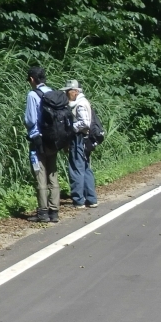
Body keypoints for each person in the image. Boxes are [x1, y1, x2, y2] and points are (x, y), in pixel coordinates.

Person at [24, 66, 60, 223]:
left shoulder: (33, 94)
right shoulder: (52, 92)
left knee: (40, 175)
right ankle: (54, 211)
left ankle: (43, 212)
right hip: (53, 140)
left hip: (38, 141)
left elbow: (31, 120)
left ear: (32, 79)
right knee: (53, 174)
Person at [64, 80, 98, 209]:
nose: (67, 94)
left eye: (68, 91)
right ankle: (91, 199)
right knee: (85, 168)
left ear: (75, 91)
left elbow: (84, 123)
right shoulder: (81, 102)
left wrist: (70, 128)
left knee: (76, 169)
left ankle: (78, 200)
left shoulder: (80, 104)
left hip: (79, 139)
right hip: (85, 139)